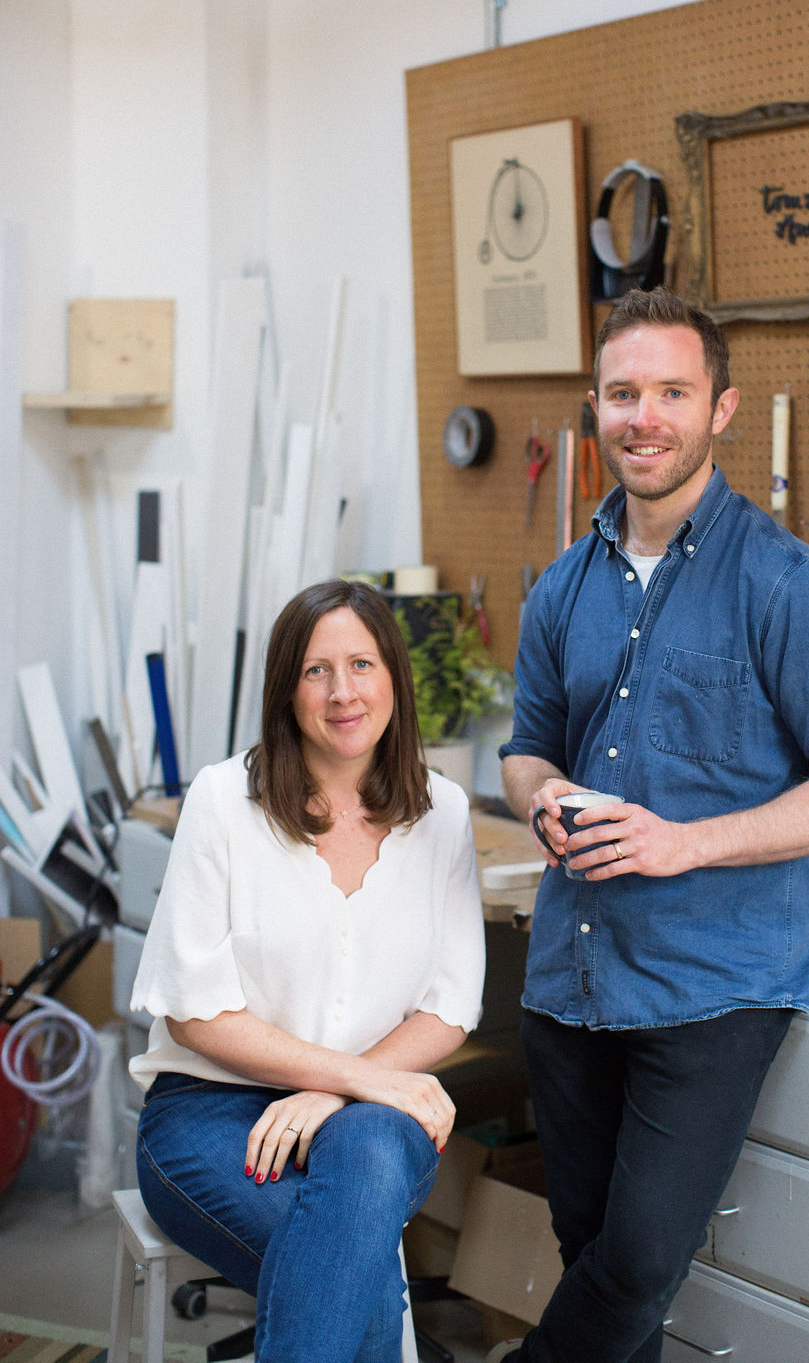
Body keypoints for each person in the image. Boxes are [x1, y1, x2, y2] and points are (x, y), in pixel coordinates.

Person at [495, 287, 809, 1363]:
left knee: (632, 1266)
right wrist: (538, 793)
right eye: (624, 393)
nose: (646, 417)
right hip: (572, 978)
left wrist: (686, 842)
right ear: (594, 408)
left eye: (671, 392)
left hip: (711, 984)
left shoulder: (788, 586)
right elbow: (525, 747)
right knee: (591, 1258)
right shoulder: (561, 589)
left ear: (719, 408)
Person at [129, 579, 486, 1363]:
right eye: (316, 670)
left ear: (394, 674)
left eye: (361, 663)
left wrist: (337, 1088)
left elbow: (450, 1008)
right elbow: (194, 1011)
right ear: (286, 690)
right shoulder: (224, 801)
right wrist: (353, 1079)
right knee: (355, 1284)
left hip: (370, 1113)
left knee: (363, 1158)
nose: (342, 691)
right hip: (211, 1114)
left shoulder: (445, 814)